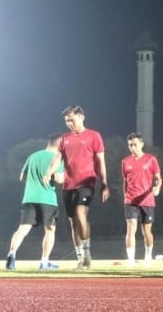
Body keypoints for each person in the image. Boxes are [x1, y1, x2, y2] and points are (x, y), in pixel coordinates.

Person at [42, 105, 110, 270]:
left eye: (71, 120)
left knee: (81, 213)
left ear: (82, 117)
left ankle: (87, 255)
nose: (69, 123)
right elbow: (58, 158)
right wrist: (48, 172)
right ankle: (80, 258)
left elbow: (101, 161)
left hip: (86, 182)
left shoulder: (94, 136)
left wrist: (104, 184)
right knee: (73, 223)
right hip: (68, 185)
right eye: (66, 121)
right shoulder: (65, 139)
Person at [6, 133, 65, 270]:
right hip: (47, 199)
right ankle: (44, 262)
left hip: (29, 197)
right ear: (59, 144)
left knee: (22, 229)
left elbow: (22, 177)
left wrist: (34, 181)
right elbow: (59, 179)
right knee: (50, 230)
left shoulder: (32, 156)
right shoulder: (57, 157)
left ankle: (11, 254)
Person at [121, 132, 161, 267]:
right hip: (130, 200)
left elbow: (158, 178)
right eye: (130, 145)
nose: (132, 147)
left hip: (147, 200)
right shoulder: (125, 161)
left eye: (135, 145)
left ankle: (148, 255)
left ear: (142, 144)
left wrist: (157, 187)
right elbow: (125, 181)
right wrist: (125, 196)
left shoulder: (151, 159)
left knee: (146, 231)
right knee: (131, 227)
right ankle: (130, 259)